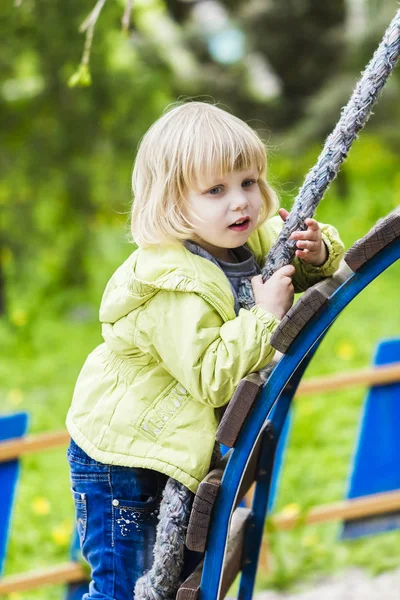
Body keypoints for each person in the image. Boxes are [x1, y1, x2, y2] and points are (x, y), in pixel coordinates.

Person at [66, 101, 344, 599]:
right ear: (174, 204)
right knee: (120, 586)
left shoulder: (247, 237)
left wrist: (317, 251)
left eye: (248, 182)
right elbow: (211, 373)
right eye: (216, 190)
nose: (240, 202)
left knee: (176, 581)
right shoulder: (170, 281)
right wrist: (263, 317)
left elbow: (294, 267)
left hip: (173, 449)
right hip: (121, 459)